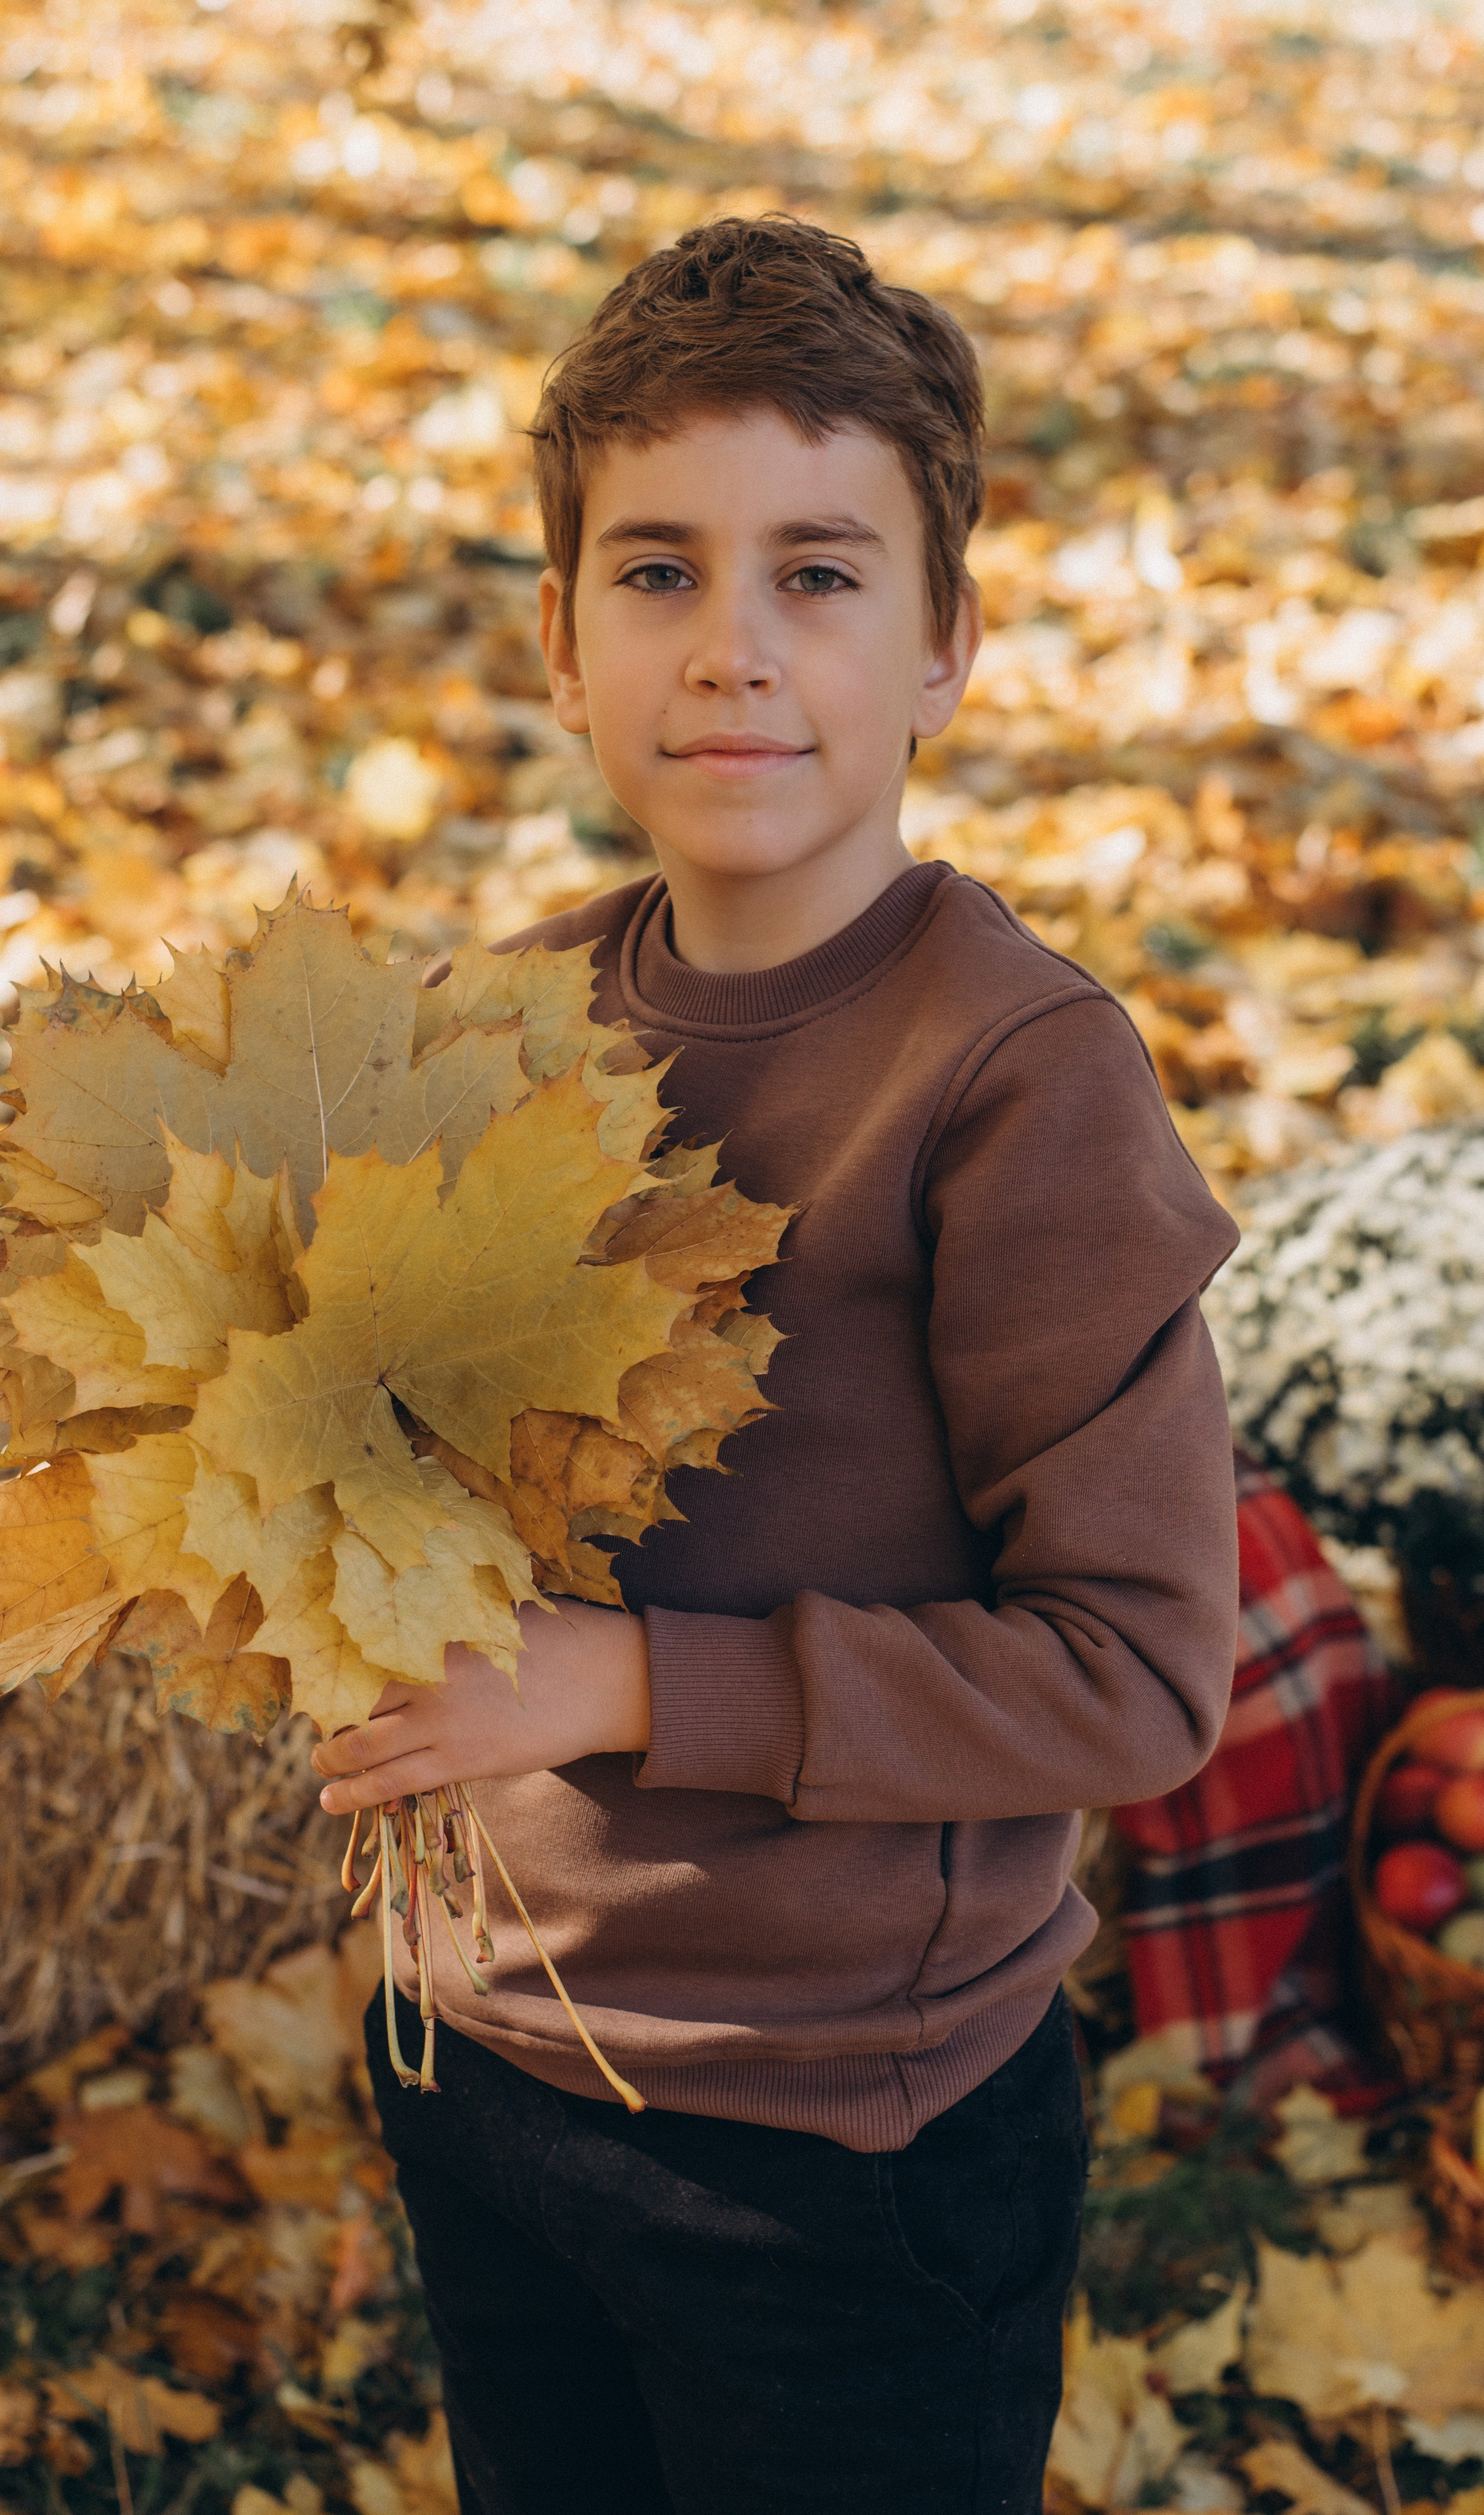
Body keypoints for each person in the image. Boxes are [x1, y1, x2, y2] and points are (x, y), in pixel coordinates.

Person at [312, 216, 1240, 2515]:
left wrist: (623, 1686)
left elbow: (1132, 1676)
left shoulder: (1020, 1082)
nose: (731, 651)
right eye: (654, 572)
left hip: (846, 2137)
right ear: (557, 636)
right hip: (490, 2050)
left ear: (948, 644)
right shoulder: (495, 1024)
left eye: (819, 575)